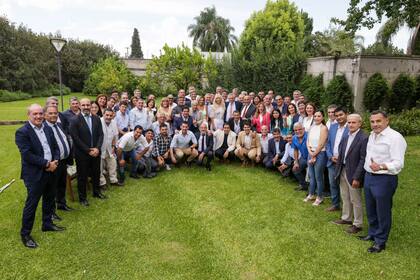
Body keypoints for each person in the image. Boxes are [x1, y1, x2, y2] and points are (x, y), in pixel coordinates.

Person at [359, 111, 407, 253]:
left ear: (387, 120)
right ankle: (373, 233)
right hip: (369, 176)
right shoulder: (372, 135)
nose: (375, 124)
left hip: (384, 178)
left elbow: (398, 163)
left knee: (382, 211)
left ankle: (380, 241)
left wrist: (381, 166)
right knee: (370, 208)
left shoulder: (395, 138)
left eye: (378, 121)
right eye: (372, 121)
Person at [15, 104, 62, 248]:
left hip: (51, 170)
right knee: (32, 204)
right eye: (35, 114)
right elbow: (27, 155)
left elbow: (55, 147)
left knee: (49, 199)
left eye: (41, 113)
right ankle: (25, 234)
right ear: (28, 115)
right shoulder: (22, 132)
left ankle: (47, 224)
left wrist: (54, 161)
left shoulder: (47, 128)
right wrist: (47, 164)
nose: (38, 116)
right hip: (35, 174)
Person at [333, 114, 368, 234]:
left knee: (355, 199)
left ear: (360, 123)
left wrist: (357, 177)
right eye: (349, 122)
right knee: (345, 196)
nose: (351, 125)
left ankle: (357, 224)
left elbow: (363, 159)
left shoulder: (363, 138)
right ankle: (346, 218)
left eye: (353, 122)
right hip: (342, 170)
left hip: (353, 172)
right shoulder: (346, 137)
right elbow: (341, 154)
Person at [70, 98, 105, 206]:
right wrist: (88, 150)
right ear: (80, 106)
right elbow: (75, 138)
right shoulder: (75, 120)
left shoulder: (96, 118)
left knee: (96, 173)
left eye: (88, 105)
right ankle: (82, 198)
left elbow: (101, 135)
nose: (86, 107)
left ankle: (96, 192)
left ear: (91, 106)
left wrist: (98, 148)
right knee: (82, 176)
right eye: (83, 105)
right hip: (82, 154)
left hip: (96, 152)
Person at [44, 105, 74, 213]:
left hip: (63, 160)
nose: (53, 115)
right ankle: (51, 212)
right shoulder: (44, 129)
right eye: (50, 113)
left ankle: (61, 204)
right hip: (54, 162)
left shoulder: (59, 125)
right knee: (52, 187)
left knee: (62, 184)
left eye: (55, 113)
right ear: (45, 115)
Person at [325, 107, 349, 212]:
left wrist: (341, 157)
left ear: (346, 114)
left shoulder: (351, 127)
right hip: (332, 160)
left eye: (341, 115)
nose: (339, 117)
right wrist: (330, 156)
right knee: (333, 183)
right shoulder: (333, 127)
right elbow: (328, 143)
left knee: (346, 186)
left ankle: (347, 206)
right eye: (337, 115)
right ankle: (335, 204)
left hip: (345, 162)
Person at [304, 110, 328, 206]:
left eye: (319, 116)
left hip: (320, 154)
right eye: (315, 116)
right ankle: (311, 194)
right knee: (311, 175)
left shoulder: (324, 128)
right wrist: (310, 152)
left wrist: (314, 154)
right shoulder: (312, 127)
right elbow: (308, 141)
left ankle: (320, 197)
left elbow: (321, 143)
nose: (317, 118)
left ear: (322, 117)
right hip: (311, 153)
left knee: (318, 176)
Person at [100, 109, 121, 187]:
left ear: (113, 116)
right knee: (100, 167)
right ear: (103, 114)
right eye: (107, 115)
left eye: (110, 115)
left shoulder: (113, 123)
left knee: (113, 164)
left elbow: (115, 136)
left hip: (110, 147)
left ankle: (113, 180)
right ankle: (102, 183)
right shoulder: (99, 122)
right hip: (100, 148)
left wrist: (113, 146)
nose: (108, 117)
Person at [291, 123, 309, 191]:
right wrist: (296, 162)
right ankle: (304, 185)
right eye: (296, 130)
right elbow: (295, 150)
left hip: (312, 157)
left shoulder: (308, 136)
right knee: (295, 169)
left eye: (300, 129)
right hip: (304, 158)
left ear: (303, 129)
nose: (298, 131)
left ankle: (316, 189)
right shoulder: (294, 138)